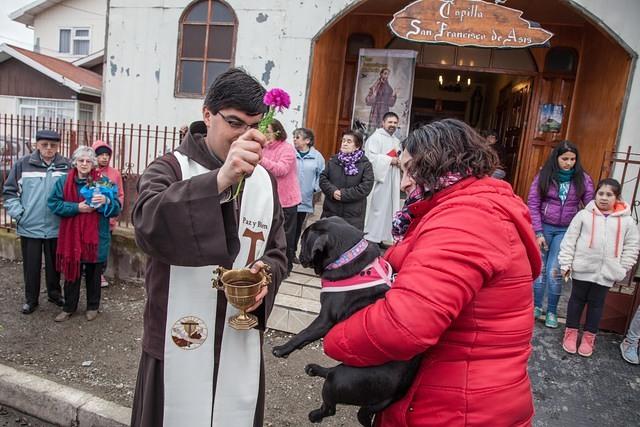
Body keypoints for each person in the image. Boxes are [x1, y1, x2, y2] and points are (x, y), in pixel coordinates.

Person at [322, 118, 542, 426]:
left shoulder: (468, 220)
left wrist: (335, 338)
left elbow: (405, 325)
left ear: (438, 164)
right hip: (461, 395)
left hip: (459, 407)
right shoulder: (464, 207)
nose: (404, 183)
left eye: (410, 170)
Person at [130, 68, 287, 427]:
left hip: (238, 333)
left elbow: (278, 251)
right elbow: (147, 226)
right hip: (178, 337)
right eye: (234, 122)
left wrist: (267, 276)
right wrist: (218, 181)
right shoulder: (170, 166)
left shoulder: (263, 180)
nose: (245, 135)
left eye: (255, 125)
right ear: (207, 115)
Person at [559, 178, 640, 357]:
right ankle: (571, 333)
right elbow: (569, 240)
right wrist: (566, 263)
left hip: (606, 273)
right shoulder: (583, 216)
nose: (604, 198)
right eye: (600, 193)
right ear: (595, 194)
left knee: (596, 305)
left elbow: (632, 246)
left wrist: (622, 268)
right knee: (576, 301)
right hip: (582, 269)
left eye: (609, 194)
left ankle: (589, 338)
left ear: (617, 198)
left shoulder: (627, 222)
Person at [48, 146, 121, 322]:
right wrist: (76, 207)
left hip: (95, 236)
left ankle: (93, 306)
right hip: (72, 236)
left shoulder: (103, 182)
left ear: (93, 163)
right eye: (81, 160)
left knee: (94, 272)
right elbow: (53, 203)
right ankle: (68, 307)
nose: (84, 164)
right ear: (75, 162)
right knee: (72, 272)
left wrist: (107, 200)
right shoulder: (64, 182)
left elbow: (117, 208)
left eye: (88, 161)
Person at [527, 141, 594, 328]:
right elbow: (533, 204)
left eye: (573, 159)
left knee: (555, 271)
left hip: (566, 230)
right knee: (539, 269)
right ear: (556, 158)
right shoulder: (544, 175)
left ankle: (552, 311)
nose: (569, 163)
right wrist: (537, 232)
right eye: (565, 158)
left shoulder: (584, 178)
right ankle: (537, 306)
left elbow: (590, 206)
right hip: (544, 228)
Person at [3, 129, 71, 314]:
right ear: (36, 145)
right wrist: (20, 214)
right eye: (44, 145)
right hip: (30, 226)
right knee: (31, 265)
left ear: (58, 146)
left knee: (54, 265)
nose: (49, 149)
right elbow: (9, 191)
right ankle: (31, 299)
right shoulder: (23, 164)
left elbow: (73, 191)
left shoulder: (66, 166)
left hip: (56, 226)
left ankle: (54, 294)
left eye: (53, 145)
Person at [260, 119, 301, 274]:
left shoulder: (287, 149)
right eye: (263, 131)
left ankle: (286, 267)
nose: (265, 135)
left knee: (285, 236)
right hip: (268, 199)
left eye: (268, 132)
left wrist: (260, 160)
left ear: (277, 132)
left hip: (286, 201)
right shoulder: (262, 148)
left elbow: (281, 169)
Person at [319, 130, 373, 230]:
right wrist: (332, 191)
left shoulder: (365, 164)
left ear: (357, 146)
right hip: (330, 211)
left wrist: (343, 194)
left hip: (353, 215)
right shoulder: (333, 160)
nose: (344, 143)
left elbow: (365, 187)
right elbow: (323, 179)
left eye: (349, 141)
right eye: (343, 140)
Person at [363, 112, 401, 245]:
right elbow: (371, 158)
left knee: (387, 209)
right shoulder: (375, 138)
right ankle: (371, 237)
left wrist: (399, 160)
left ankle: (381, 237)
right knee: (376, 208)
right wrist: (391, 160)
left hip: (391, 180)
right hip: (379, 180)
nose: (393, 125)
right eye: (390, 122)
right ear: (383, 123)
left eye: (395, 123)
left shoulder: (396, 141)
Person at [91, 140, 124, 287]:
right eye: (100, 155)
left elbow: (120, 195)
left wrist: (113, 215)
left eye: (107, 155)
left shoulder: (114, 174)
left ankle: (99, 274)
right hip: (90, 218)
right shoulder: (89, 171)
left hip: (107, 219)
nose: (104, 157)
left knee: (103, 248)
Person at [292, 127, 324, 263]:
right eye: (294, 137)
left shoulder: (317, 156)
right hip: (289, 197)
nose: (294, 139)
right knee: (286, 226)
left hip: (305, 198)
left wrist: (314, 188)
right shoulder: (291, 153)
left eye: (297, 137)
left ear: (307, 140)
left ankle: (292, 252)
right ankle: (284, 251)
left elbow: (322, 175)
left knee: (298, 227)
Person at [365, 68, 396, 132]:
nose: (386, 76)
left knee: (383, 129)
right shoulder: (375, 86)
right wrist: (374, 94)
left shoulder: (389, 88)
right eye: (385, 73)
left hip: (384, 110)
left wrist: (393, 95)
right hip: (375, 109)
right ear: (381, 74)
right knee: (372, 129)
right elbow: (368, 101)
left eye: (388, 74)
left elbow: (391, 104)